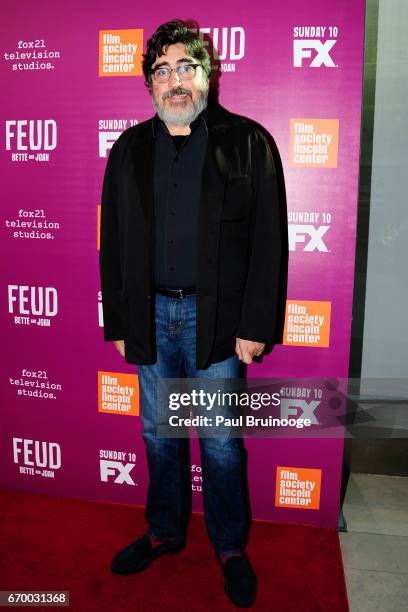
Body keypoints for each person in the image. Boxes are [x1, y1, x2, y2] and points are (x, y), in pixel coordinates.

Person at [99, 19, 286, 608]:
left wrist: (255, 327)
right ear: (149, 84)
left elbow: (268, 243)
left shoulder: (249, 143)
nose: (174, 80)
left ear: (209, 74)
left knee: (223, 444)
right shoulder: (128, 150)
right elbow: (114, 246)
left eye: (186, 67)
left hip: (219, 325)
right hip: (150, 317)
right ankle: (164, 531)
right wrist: (122, 324)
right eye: (162, 70)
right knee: (158, 435)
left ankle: (230, 546)